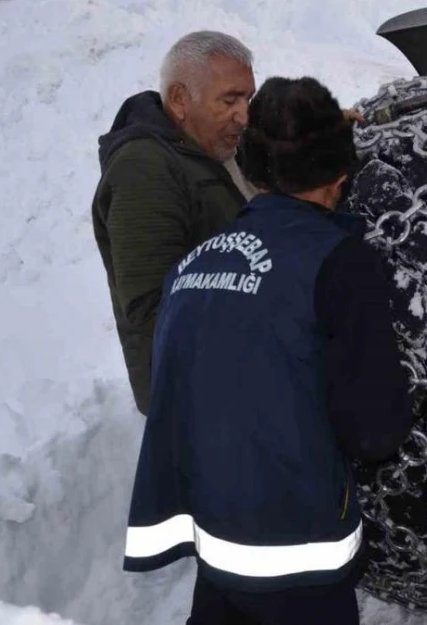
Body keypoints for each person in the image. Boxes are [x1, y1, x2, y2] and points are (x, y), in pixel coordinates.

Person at [120, 75, 415, 625]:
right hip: (298, 557)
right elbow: (374, 430)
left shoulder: (193, 265)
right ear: (340, 175)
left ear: (251, 172)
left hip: (216, 546)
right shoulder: (339, 262)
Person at [92, 31, 258, 415]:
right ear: (180, 100)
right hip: (197, 391)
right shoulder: (145, 169)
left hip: (237, 367)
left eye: (247, 98)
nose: (244, 114)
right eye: (229, 99)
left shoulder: (208, 146)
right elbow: (155, 309)